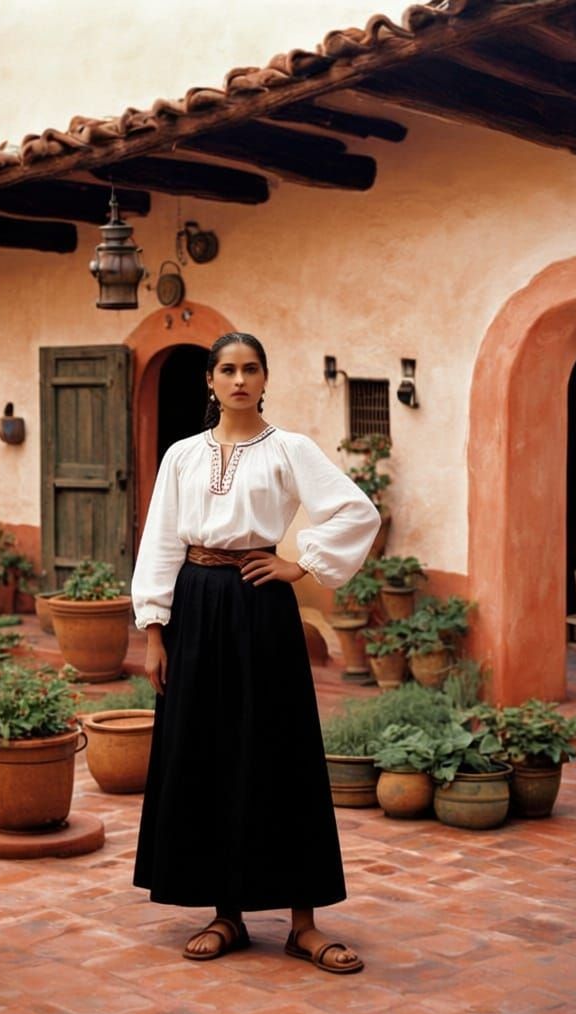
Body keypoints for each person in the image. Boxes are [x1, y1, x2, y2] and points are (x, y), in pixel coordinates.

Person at [131, 331, 380, 971]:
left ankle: (303, 923)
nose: (239, 380)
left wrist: (300, 565)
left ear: (265, 379)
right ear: (210, 382)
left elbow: (357, 513)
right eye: (227, 370)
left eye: (250, 369)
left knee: (281, 747)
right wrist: (155, 631)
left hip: (260, 605)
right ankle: (227, 914)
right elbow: (160, 539)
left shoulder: (290, 450)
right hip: (194, 606)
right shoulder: (182, 455)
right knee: (209, 749)